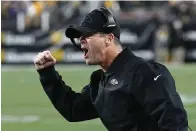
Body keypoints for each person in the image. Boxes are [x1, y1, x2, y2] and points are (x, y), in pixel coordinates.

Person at [34, 7, 188, 131]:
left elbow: (174, 123)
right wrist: (48, 74)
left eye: (87, 35)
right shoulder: (100, 81)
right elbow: (73, 109)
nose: (81, 41)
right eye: (80, 37)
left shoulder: (143, 73)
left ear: (109, 39)